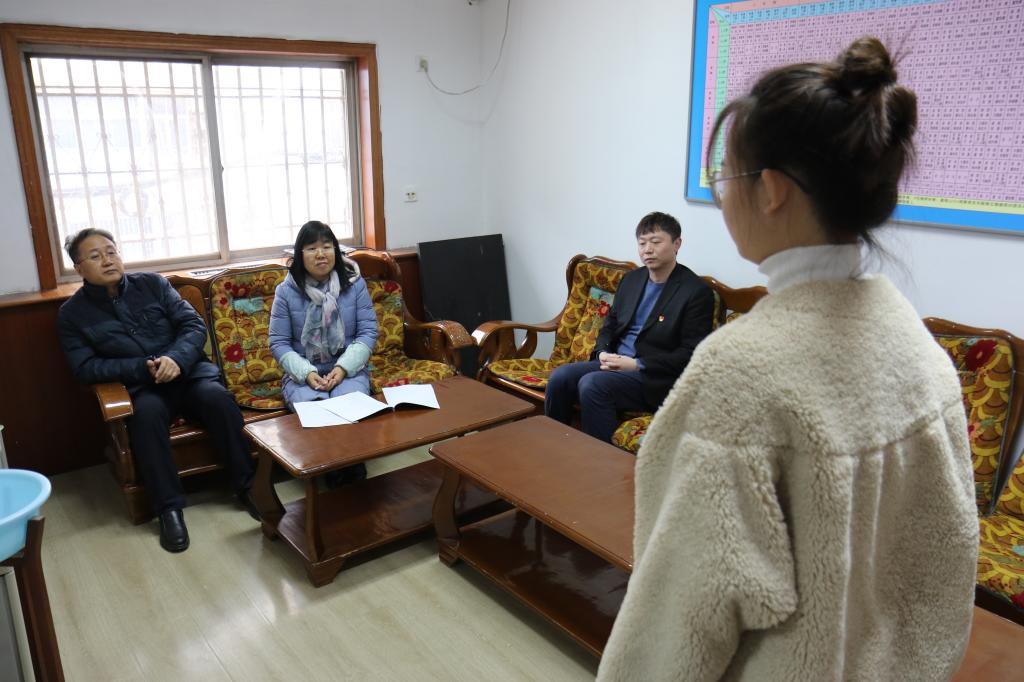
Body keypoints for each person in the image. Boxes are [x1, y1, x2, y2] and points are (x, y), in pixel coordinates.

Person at [597, 38, 977, 680]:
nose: (722, 197)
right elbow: (949, 559)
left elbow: (678, 623)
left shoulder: (742, 371)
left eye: (726, 177)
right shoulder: (921, 352)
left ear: (771, 189)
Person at [58, 228, 257, 554]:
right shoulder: (72, 314)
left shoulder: (152, 284)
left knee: (218, 400)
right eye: (95, 256)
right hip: (142, 387)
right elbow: (86, 368)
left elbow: (193, 325)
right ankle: (169, 509)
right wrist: (141, 367)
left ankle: (248, 486)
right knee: (146, 418)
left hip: (187, 375)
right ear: (79, 268)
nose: (107, 260)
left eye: (111, 252)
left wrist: (175, 359)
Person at [544, 212, 715, 444]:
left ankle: (601, 460)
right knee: (560, 377)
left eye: (656, 242)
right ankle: (555, 445)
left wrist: (637, 364)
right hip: (616, 363)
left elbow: (690, 354)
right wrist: (602, 352)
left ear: (677, 244)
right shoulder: (632, 280)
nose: (648, 250)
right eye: (642, 243)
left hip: (655, 377)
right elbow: (609, 326)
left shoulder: (696, 292)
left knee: (592, 385)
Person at [269, 220, 378, 483]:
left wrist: (343, 368)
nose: (321, 254)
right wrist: (306, 373)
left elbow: (367, 332)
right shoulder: (286, 292)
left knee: (349, 403)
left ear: (336, 251)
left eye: (327, 247)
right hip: (304, 372)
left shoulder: (354, 285)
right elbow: (279, 342)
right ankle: (327, 466)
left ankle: (353, 462)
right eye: (311, 248)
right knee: (315, 408)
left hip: (348, 368)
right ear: (300, 255)